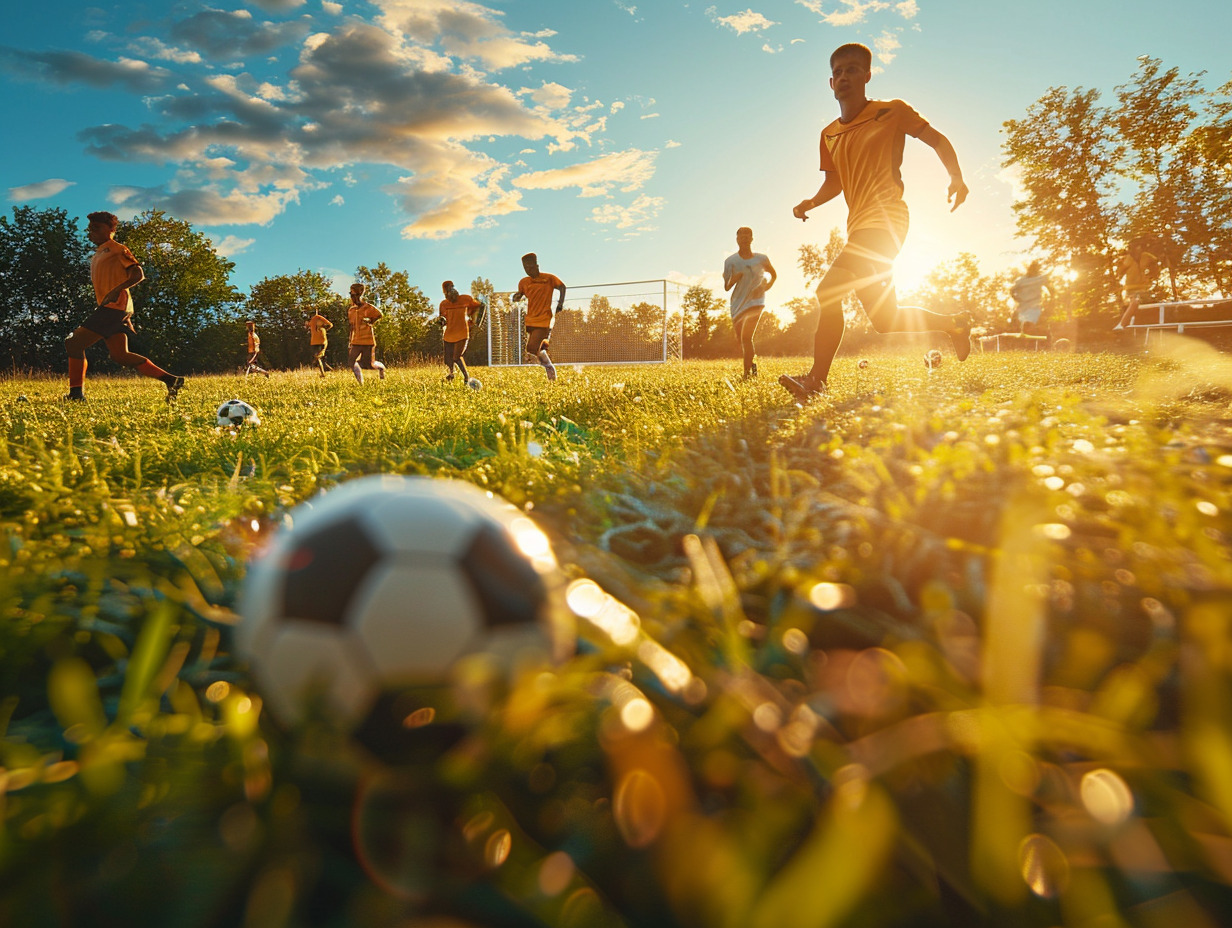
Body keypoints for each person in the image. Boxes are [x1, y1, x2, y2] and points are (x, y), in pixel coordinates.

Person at [780, 43, 972, 402]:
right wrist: (811, 201)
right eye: (837, 71)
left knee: (827, 291)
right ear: (830, 81)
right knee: (886, 320)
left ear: (867, 76)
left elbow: (936, 139)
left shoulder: (891, 111)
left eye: (852, 69)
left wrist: (956, 177)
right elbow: (835, 181)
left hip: (887, 220)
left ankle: (816, 381)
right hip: (859, 228)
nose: (844, 77)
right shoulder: (828, 134)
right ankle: (955, 323)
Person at [64, 211, 185, 403]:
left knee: (73, 342)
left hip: (114, 308)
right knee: (120, 355)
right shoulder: (99, 253)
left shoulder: (117, 249)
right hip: (113, 309)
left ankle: (76, 395)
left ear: (111, 230)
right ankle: (172, 380)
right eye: (90, 229)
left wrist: (116, 291)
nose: (91, 232)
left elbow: (138, 274)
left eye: (97, 228)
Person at [723, 227, 777, 379]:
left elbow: (774, 275)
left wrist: (765, 287)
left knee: (747, 337)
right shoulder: (730, 261)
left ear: (752, 239)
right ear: (737, 239)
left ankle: (747, 374)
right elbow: (726, 286)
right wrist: (735, 278)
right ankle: (752, 366)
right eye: (742, 236)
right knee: (742, 339)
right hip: (737, 303)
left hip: (756, 302)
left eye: (748, 236)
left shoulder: (762, 259)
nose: (745, 238)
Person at [513, 252, 565, 381]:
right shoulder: (524, 282)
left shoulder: (548, 278)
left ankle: (549, 367)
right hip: (530, 319)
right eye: (525, 268)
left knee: (531, 347)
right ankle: (546, 353)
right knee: (534, 348)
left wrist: (560, 304)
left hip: (544, 318)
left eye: (530, 267)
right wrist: (517, 296)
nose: (528, 270)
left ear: (537, 265)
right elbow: (520, 294)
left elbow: (562, 287)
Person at [437, 280, 482, 383]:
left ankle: (466, 377)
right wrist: (441, 321)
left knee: (456, 356)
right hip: (449, 334)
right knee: (448, 359)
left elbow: (477, 307)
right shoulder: (444, 304)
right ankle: (451, 374)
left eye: (451, 288)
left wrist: (473, 320)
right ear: (444, 292)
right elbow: (443, 318)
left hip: (462, 333)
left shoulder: (465, 299)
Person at [1114, 240, 1160, 330]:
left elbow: (1155, 263)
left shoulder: (1146, 256)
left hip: (1144, 288)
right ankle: (1122, 324)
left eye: (1138, 247)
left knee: (1151, 307)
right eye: (1133, 248)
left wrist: (1152, 275)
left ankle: (1150, 327)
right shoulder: (1127, 259)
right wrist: (1118, 276)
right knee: (1135, 302)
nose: (1136, 250)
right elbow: (1119, 271)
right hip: (1131, 288)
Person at [347, 282, 386, 384]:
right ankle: (361, 383)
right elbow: (351, 327)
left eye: (354, 294)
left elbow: (379, 314)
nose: (352, 297)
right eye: (351, 294)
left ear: (359, 294)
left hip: (368, 340)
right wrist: (350, 341)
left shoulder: (367, 307)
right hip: (356, 341)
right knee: (351, 362)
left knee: (369, 365)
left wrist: (371, 321)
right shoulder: (351, 310)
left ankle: (381, 368)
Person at [1009, 260, 1053, 335]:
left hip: (1034, 306)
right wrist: (1016, 298)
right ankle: (1023, 333)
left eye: (1036, 270)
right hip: (1023, 306)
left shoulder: (1040, 278)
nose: (1034, 272)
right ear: (1029, 270)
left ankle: (1031, 332)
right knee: (1018, 322)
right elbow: (1012, 290)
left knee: (1030, 321)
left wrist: (1051, 299)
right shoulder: (1021, 280)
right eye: (1032, 269)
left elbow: (1050, 288)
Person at [306, 309, 333, 377]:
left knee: (317, 357)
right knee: (319, 358)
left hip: (322, 341)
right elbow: (308, 327)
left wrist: (322, 328)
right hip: (314, 342)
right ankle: (329, 370)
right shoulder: (311, 321)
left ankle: (323, 374)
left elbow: (330, 325)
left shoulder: (318, 317)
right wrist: (307, 325)